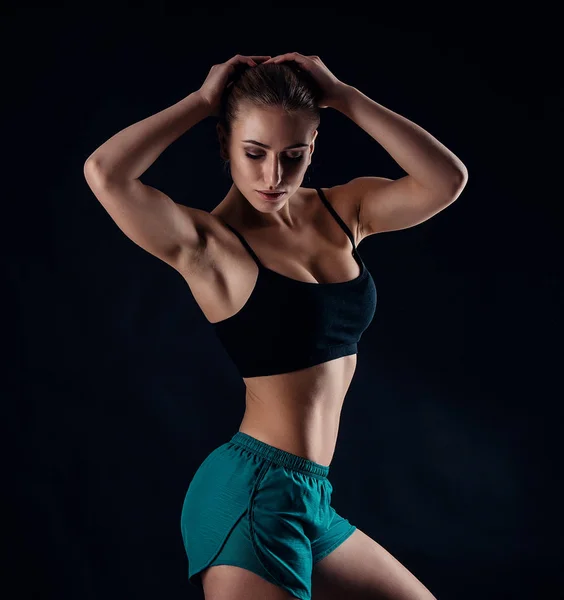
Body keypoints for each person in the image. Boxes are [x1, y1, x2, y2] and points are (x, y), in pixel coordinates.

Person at [84, 53, 467, 600]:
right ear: (226, 145)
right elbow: (105, 173)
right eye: (254, 153)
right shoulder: (208, 247)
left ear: (314, 147)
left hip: (310, 497)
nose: (273, 176)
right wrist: (199, 102)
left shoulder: (345, 212)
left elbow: (447, 179)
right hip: (252, 494)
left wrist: (344, 95)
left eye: (294, 155)